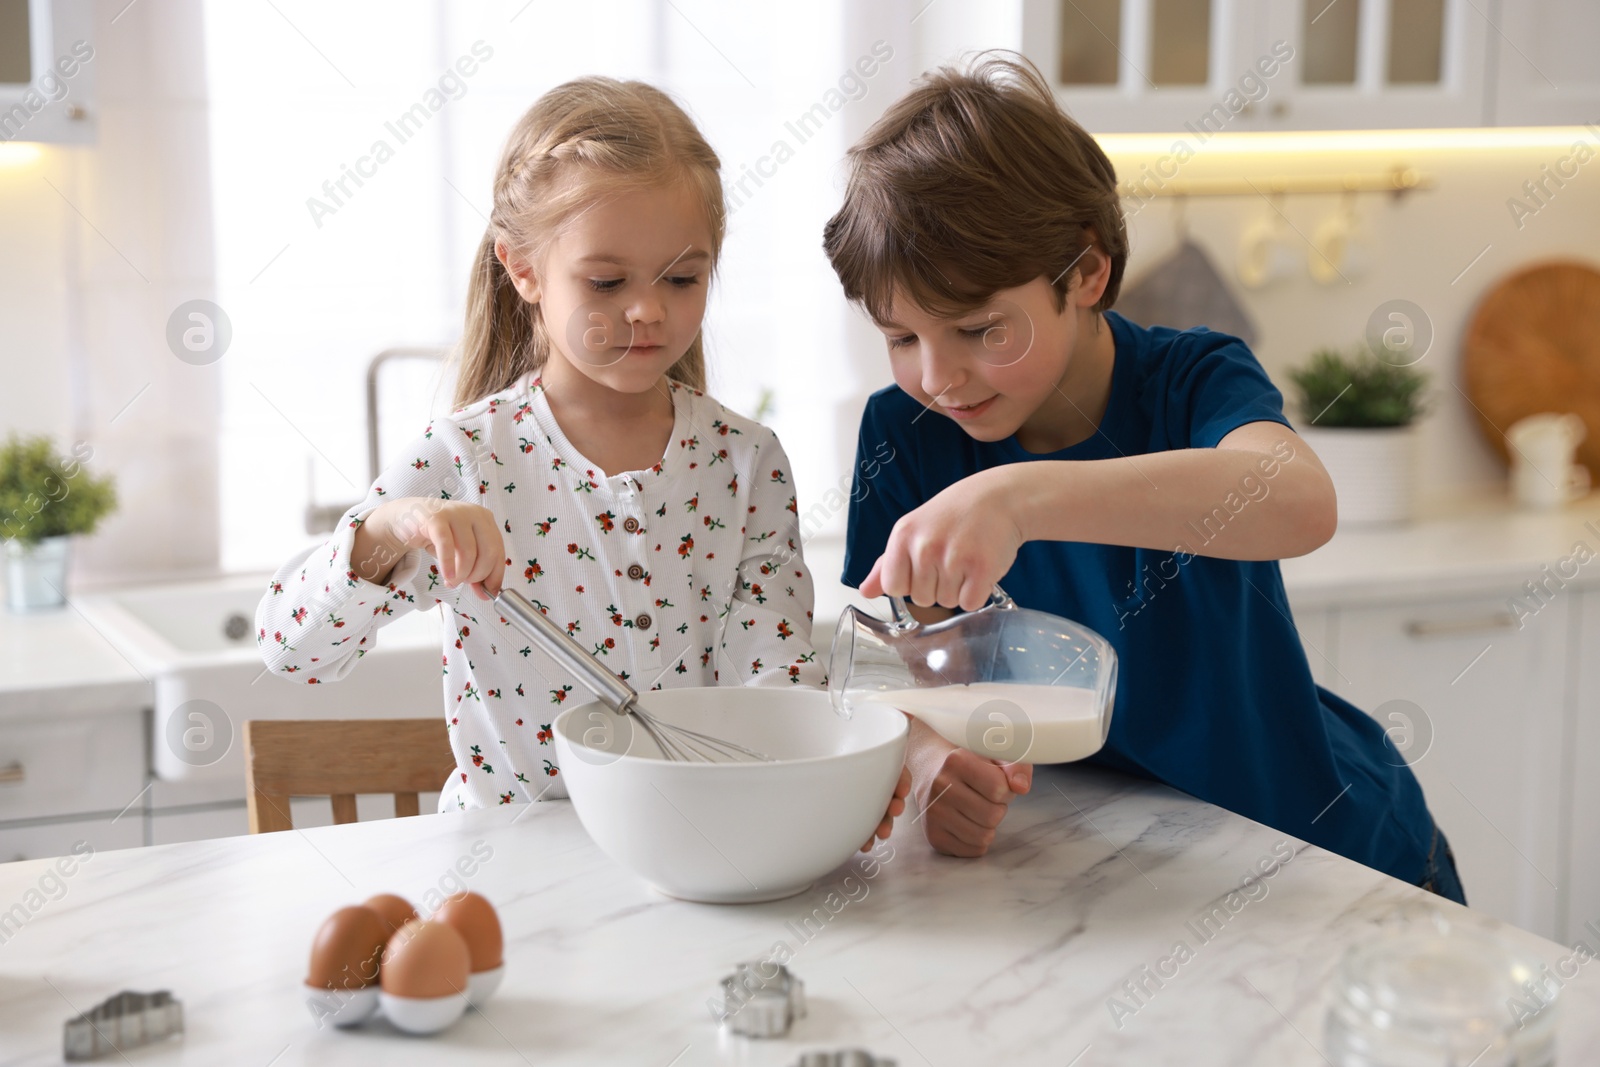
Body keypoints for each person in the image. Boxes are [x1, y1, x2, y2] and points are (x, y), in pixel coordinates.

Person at [822, 53, 1465, 903]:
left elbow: (1300, 502)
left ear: (1085, 272)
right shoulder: (904, 433)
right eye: (902, 337)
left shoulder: (1192, 381)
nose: (937, 375)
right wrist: (935, 757)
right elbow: (900, 667)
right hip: (1119, 866)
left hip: (1322, 844)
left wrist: (1016, 498)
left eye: (979, 328)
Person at [256, 75, 910, 839]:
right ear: (523, 269)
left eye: (684, 277)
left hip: (691, 853)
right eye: (607, 281)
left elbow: (772, 678)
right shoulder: (466, 461)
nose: (649, 309)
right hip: (511, 876)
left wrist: (823, 782)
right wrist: (388, 529)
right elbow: (288, 648)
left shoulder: (744, 463)